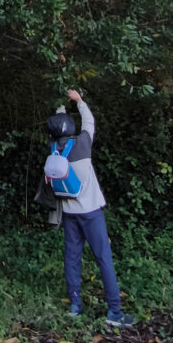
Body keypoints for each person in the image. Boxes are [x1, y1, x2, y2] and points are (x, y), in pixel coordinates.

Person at [48, 89, 135, 327]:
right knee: (103, 258)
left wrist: (59, 111)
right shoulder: (82, 144)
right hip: (90, 213)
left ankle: (76, 306)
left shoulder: (53, 149)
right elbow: (89, 122)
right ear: (70, 127)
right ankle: (114, 311)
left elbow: (57, 129)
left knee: (72, 258)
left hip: (69, 214)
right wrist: (79, 101)